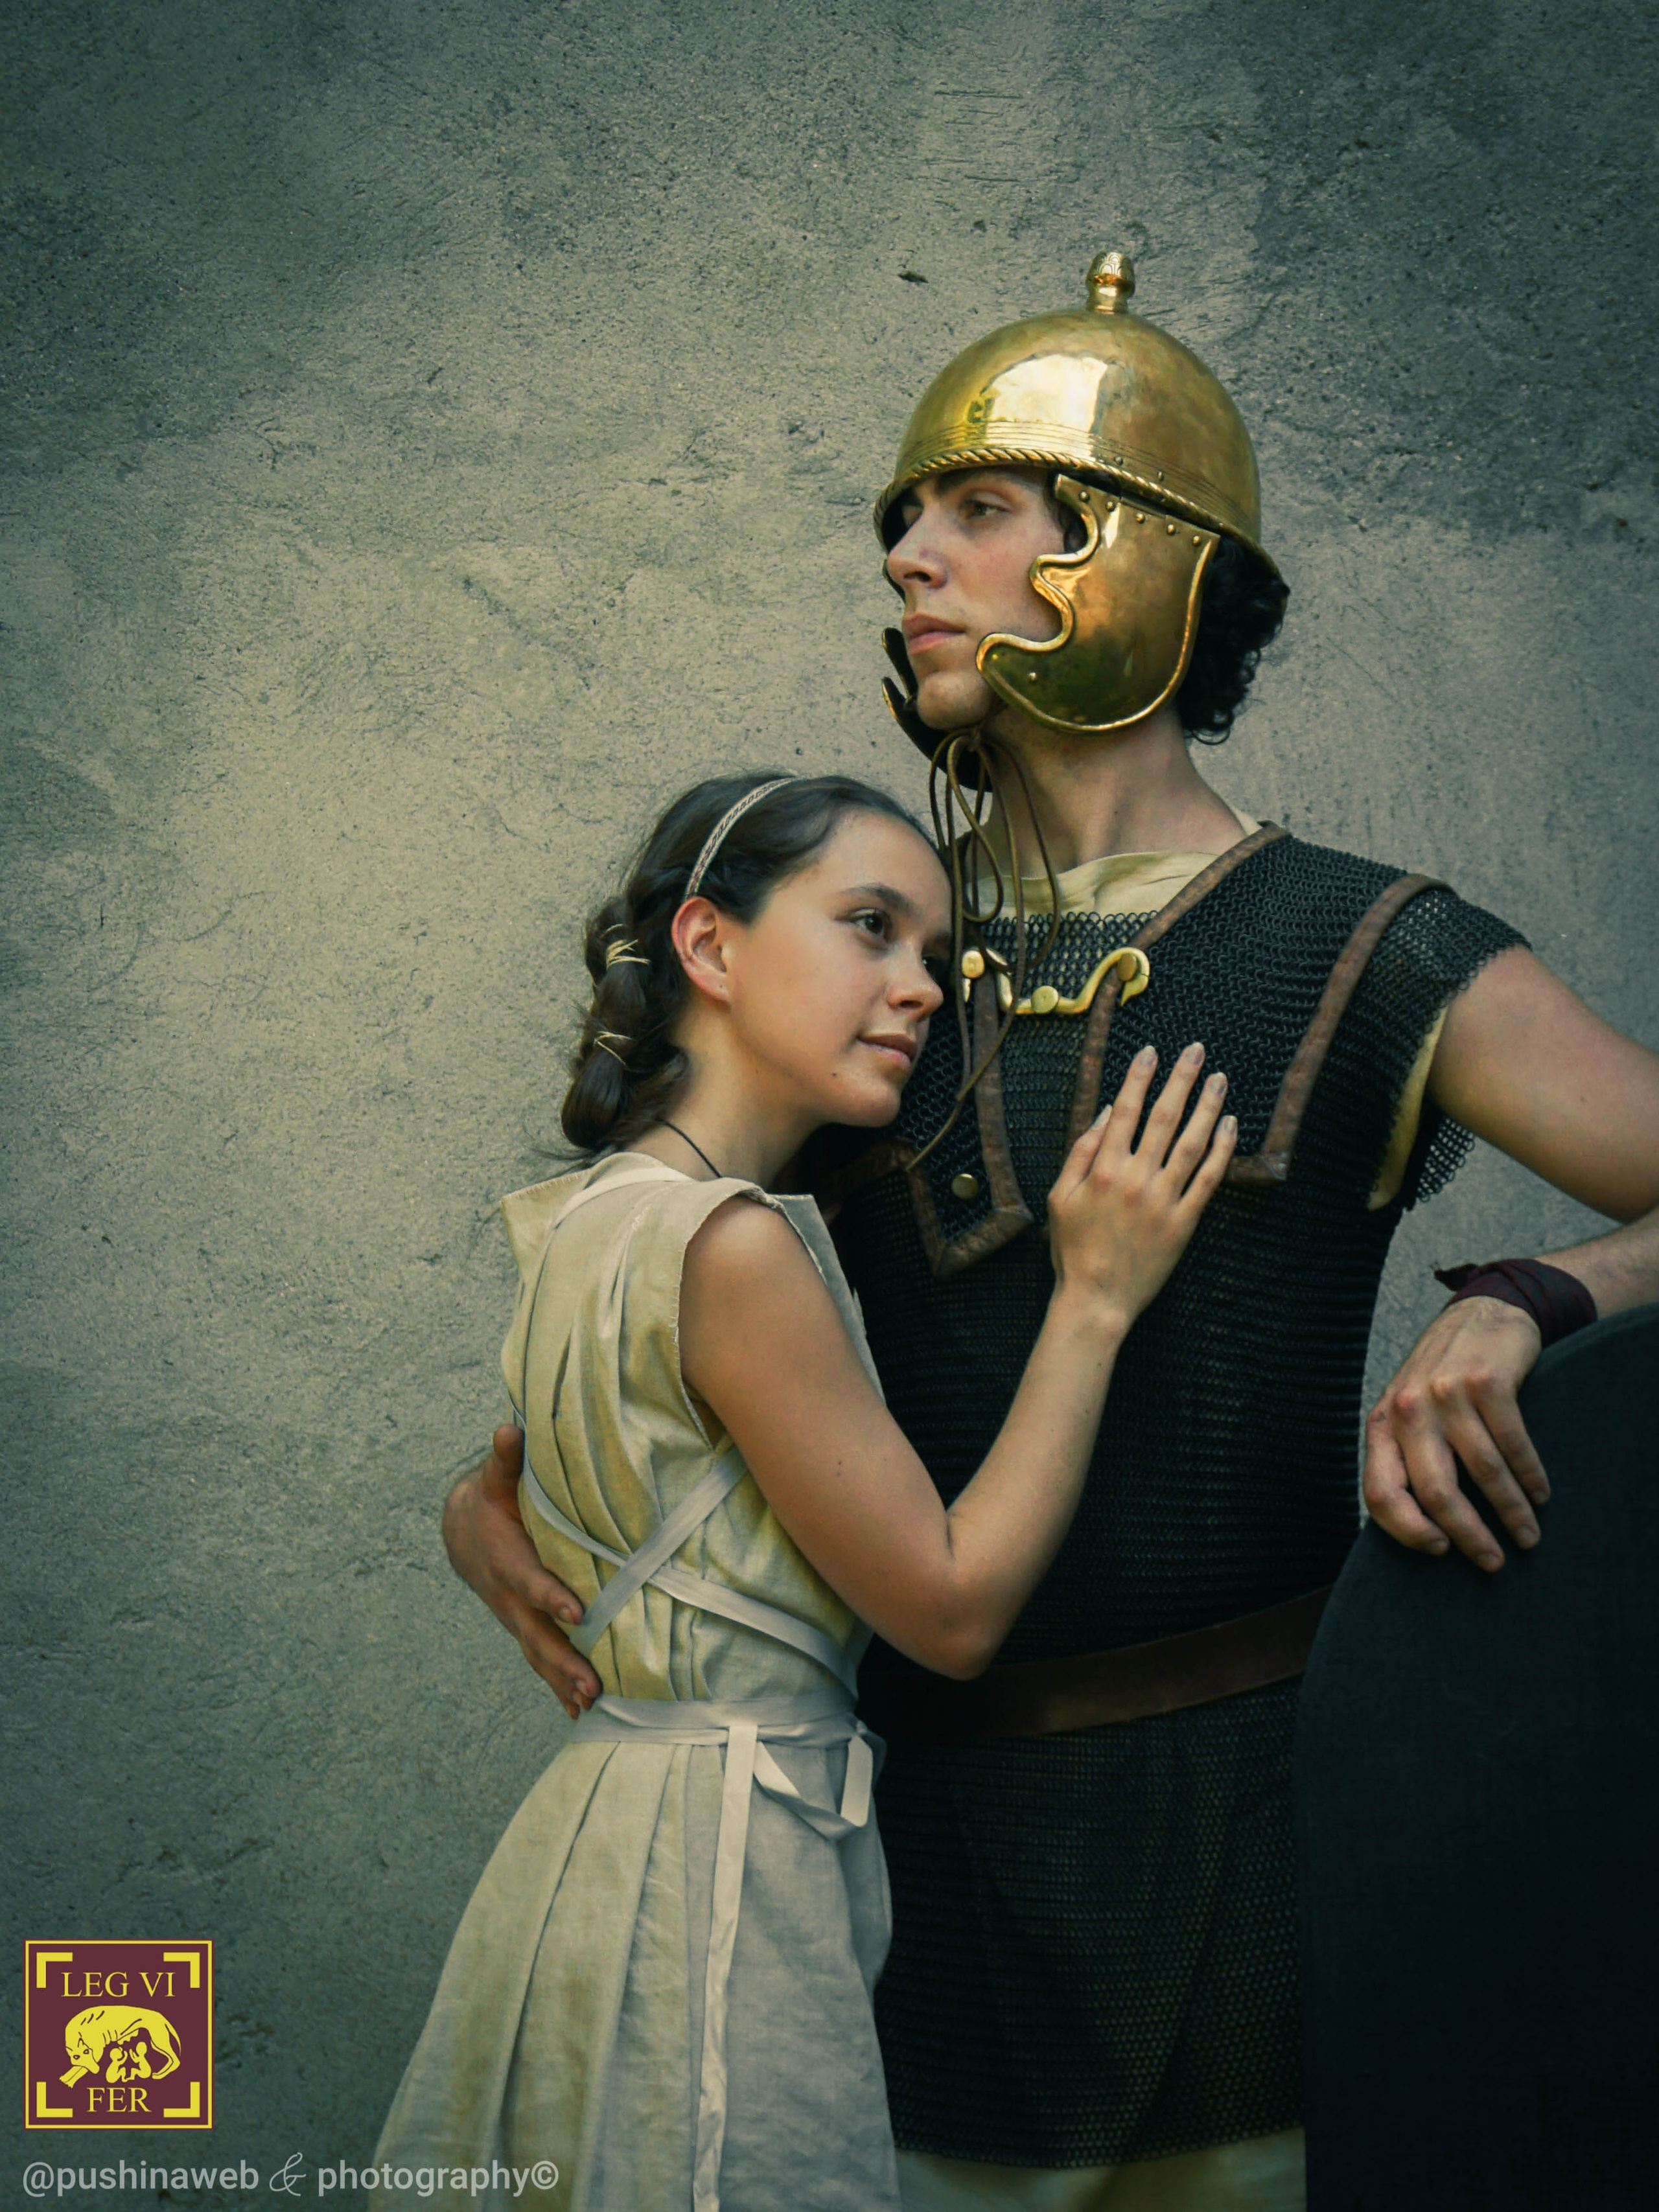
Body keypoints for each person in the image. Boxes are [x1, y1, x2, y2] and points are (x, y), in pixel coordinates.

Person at [442, 256, 1659, 2209]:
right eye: (907, 520)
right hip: (914, 1882)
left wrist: (1539, 1293)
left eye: (979, 508)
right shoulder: (876, 977)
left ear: (1139, 558)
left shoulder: (1370, 944)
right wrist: (513, 1488)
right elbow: (670, 1272)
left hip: (1271, 1851)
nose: (911, 553)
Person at [377, 769, 1239, 2212]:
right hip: (723, 1870)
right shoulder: (734, 1247)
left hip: (593, 1844)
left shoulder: (591, 1217)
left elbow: (554, 1481)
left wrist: (472, 1514)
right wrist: (1093, 1298)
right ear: (708, 949)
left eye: (932, 952)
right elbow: (950, 1609)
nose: (917, 989)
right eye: (866, 928)